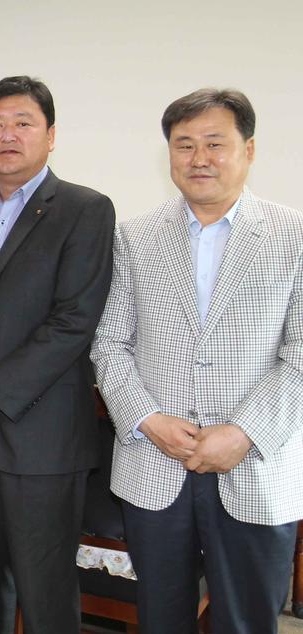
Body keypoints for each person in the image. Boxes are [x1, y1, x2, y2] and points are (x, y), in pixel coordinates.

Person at [91, 88, 303, 633]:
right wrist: (147, 419)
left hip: (256, 466)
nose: (199, 158)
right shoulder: (135, 236)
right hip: (155, 463)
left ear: (248, 150)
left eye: (215, 143)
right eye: (184, 145)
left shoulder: (295, 235)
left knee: (247, 622)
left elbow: (300, 353)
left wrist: (244, 432)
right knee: (161, 619)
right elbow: (109, 344)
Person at [0, 75, 115, 633]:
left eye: (23, 123)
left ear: (50, 135)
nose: (7, 135)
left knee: (45, 597)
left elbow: (74, 321)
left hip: (41, 442)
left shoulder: (85, 209)